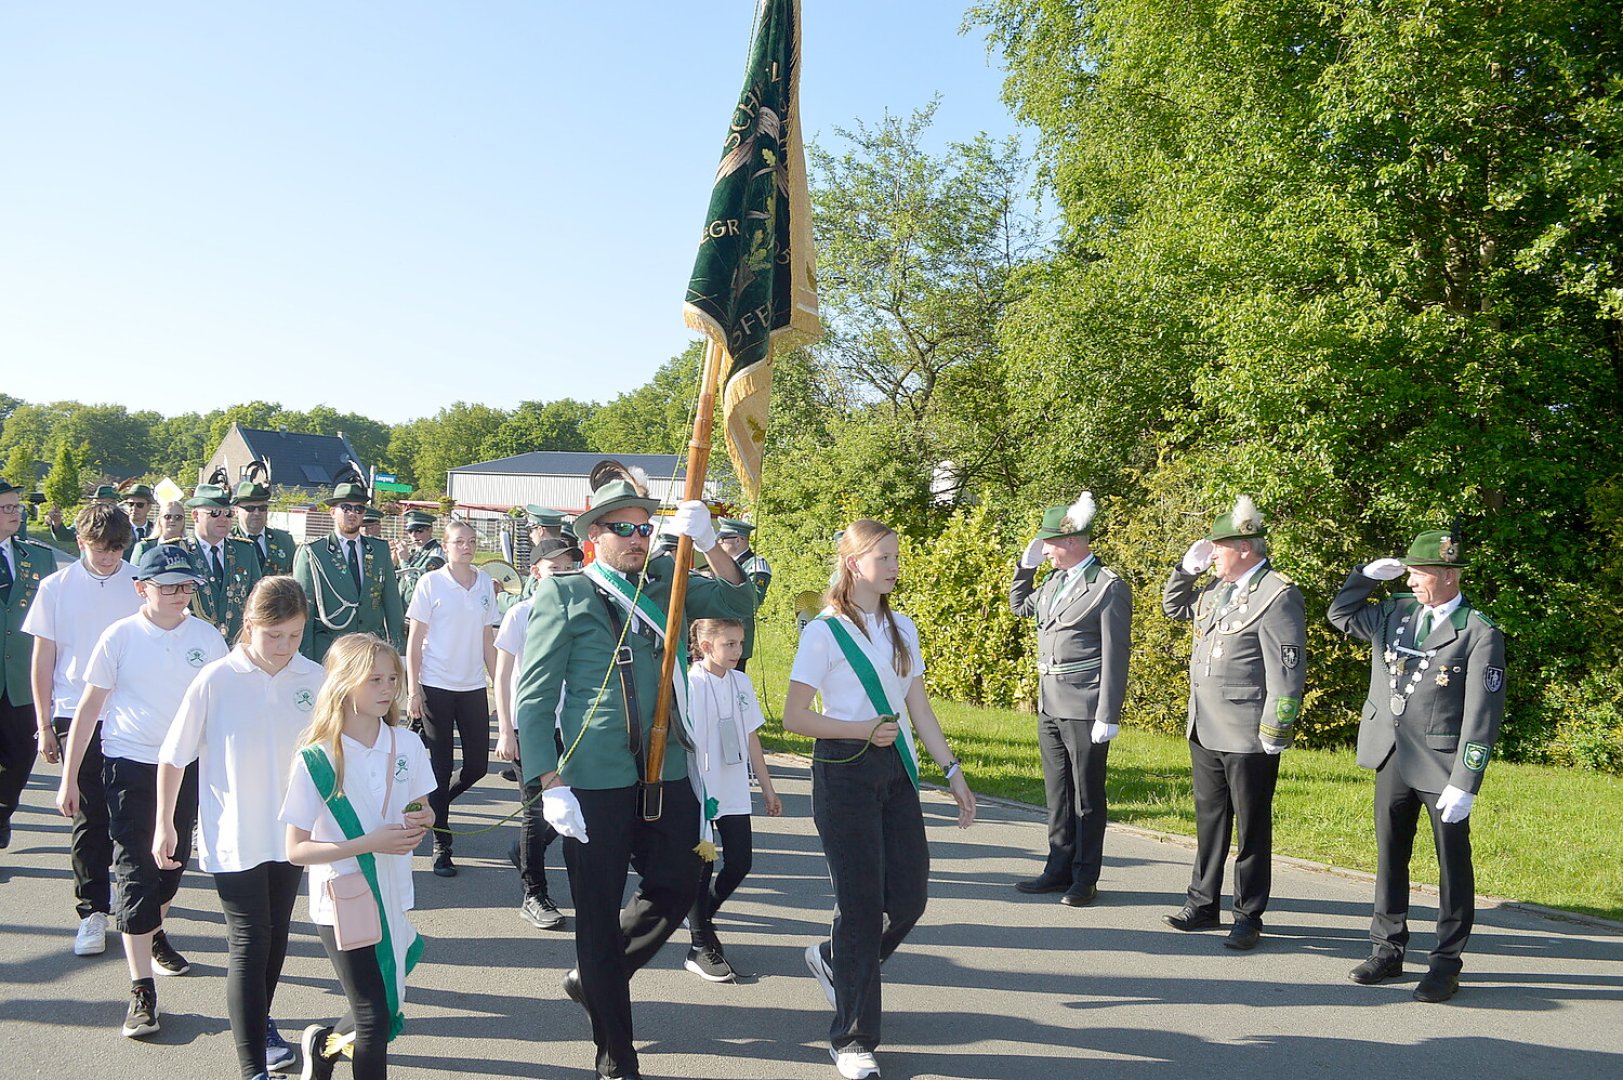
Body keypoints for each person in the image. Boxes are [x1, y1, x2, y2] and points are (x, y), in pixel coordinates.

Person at [513, 463, 754, 1080]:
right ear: (595, 534)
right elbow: (534, 697)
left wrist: (709, 547)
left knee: (681, 881)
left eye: (645, 528)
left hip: (666, 768)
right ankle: (616, 1058)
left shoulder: (668, 580)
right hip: (593, 778)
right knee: (595, 913)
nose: (637, 538)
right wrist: (549, 781)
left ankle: (597, 973)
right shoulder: (564, 593)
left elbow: (737, 603)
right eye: (622, 528)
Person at [784, 519, 976, 1080]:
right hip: (843, 773)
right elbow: (795, 716)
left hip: (897, 772)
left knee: (910, 899)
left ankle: (836, 960)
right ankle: (852, 1038)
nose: (894, 566)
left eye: (896, 555)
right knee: (862, 908)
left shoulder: (903, 628)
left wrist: (953, 771)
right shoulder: (823, 632)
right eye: (883, 556)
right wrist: (858, 727)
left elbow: (919, 708)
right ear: (853, 563)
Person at [55, 543, 229, 1037]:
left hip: (187, 767)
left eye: (187, 585)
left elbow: (222, 710)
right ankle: (142, 989)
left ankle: (152, 930)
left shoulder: (208, 638)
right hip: (130, 765)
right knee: (135, 868)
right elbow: (88, 709)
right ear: (141, 589)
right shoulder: (120, 637)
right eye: (168, 586)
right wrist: (69, 778)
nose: (179, 594)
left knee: (169, 867)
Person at [155, 576, 324, 1078]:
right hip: (234, 832)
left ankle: (260, 1018)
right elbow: (173, 758)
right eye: (273, 635)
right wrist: (165, 825)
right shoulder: (216, 679)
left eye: (294, 636)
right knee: (250, 940)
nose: (283, 647)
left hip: (292, 836)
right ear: (249, 624)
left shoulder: (314, 678)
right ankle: (253, 1067)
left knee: (276, 937)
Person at [1328, 529, 1506, 1003]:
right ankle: (1387, 949)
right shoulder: (1396, 612)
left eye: (1419, 573)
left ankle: (1446, 963)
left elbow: (1481, 714)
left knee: (1452, 863)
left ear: (1448, 575)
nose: (1410, 581)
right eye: (1408, 572)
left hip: (1443, 764)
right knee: (1391, 855)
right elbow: (1340, 615)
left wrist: (1466, 781)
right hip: (1392, 753)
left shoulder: (1477, 631)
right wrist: (1363, 577)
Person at [282, 634, 435, 1080]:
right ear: (344, 684)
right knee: (374, 1018)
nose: (388, 688)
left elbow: (421, 807)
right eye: (374, 679)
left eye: (392, 678)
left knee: (379, 1003)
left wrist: (420, 819)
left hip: (392, 889)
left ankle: (324, 1045)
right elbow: (295, 850)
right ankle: (329, 1047)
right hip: (342, 897)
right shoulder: (317, 757)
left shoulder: (406, 744)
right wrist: (367, 843)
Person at [1161, 495, 1305, 951]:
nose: (1212, 554)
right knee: (1209, 822)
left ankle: (1248, 914)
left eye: (1218, 546)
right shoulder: (1215, 591)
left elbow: (1287, 672)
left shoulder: (1277, 594)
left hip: (1247, 732)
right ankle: (1203, 903)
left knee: (1252, 828)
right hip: (1204, 726)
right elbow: (1172, 606)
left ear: (1245, 547)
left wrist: (1275, 731)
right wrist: (1186, 571)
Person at [25, 503, 141, 956]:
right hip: (75, 711)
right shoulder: (56, 587)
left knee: (132, 816)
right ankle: (92, 910)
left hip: (131, 711)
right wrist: (43, 723)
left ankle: (143, 912)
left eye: (116, 548)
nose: (109, 556)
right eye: (100, 548)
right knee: (88, 816)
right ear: (80, 542)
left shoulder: (139, 583)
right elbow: (43, 658)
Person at [1009, 492, 1131, 907]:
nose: (1045, 550)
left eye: (1050, 543)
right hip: (1050, 700)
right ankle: (1057, 866)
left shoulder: (1107, 586)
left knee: (1087, 795)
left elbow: (1117, 653)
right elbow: (1019, 607)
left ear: (1074, 541)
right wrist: (1024, 570)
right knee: (1057, 791)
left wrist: (1108, 712)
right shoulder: (1053, 582)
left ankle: (1085, 876)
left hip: (1084, 703)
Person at [683, 617, 781, 982]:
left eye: (740, 644)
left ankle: (701, 917)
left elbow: (752, 737)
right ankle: (700, 944)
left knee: (741, 861)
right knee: (702, 866)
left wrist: (768, 788)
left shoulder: (742, 681)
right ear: (706, 646)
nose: (737, 652)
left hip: (735, 785)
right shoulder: (690, 683)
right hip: (700, 788)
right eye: (730, 644)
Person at [493, 537, 581, 931]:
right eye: (554, 569)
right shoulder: (520, 614)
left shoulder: (581, 612)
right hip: (531, 726)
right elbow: (503, 676)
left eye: (568, 569)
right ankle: (534, 893)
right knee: (534, 810)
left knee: (571, 806)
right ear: (535, 573)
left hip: (575, 726)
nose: (562, 576)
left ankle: (526, 853)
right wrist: (505, 729)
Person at [404, 519, 499, 877]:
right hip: (435, 685)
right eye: (460, 541)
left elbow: (488, 641)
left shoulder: (485, 584)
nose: (467, 546)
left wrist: (497, 686)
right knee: (440, 768)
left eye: (472, 541)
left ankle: (433, 805)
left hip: (472, 686)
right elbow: (415, 642)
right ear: (446, 546)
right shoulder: (431, 583)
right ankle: (442, 844)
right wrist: (413, 691)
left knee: (477, 767)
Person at [1, 480, 55, 852]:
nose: (16, 513)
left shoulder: (37, 557)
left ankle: (4, 811)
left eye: (17, 507)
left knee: (20, 758)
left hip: (21, 679)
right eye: (7, 508)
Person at [136, 482, 264, 641]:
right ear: (195, 516)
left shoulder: (245, 551)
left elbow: (256, 600)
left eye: (228, 514)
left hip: (235, 645)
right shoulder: (177, 551)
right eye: (215, 513)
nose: (223, 519)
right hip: (188, 642)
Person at [293, 480, 404, 662]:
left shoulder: (379, 550)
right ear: (332, 512)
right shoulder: (314, 552)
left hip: (371, 650)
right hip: (330, 651)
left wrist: (399, 653)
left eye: (359, 509)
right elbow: (305, 609)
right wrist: (304, 658)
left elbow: (392, 603)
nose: (352, 514)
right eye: (345, 508)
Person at [714, 519, 769, 673]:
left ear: (737, 540)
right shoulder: (720, 564)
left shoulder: (756, 565)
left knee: (734, 684)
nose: (718, 543)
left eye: (722, 539)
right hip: (715, 634)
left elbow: (752, 600)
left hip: (735, 637)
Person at [232, 478, 296, 575]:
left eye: (262, 508)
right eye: (250, 508)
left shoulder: (284, 541)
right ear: (236, 511)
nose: (257, 513)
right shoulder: (228, 541)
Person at [392, 510, 444, 613]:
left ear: (430, 530)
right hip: (403, 611)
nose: (414, 535)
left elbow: (417, 586)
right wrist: (394, 563)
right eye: (410, 531)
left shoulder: (436, 553)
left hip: (420, 613)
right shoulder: (415, 551)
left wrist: (404, 561)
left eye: (419, 531)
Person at [121, 484, 159, 556]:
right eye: (131, 504)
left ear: (149, 507)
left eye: (140, 505)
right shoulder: (119, 529)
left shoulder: (156, 530)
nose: (134, 508)